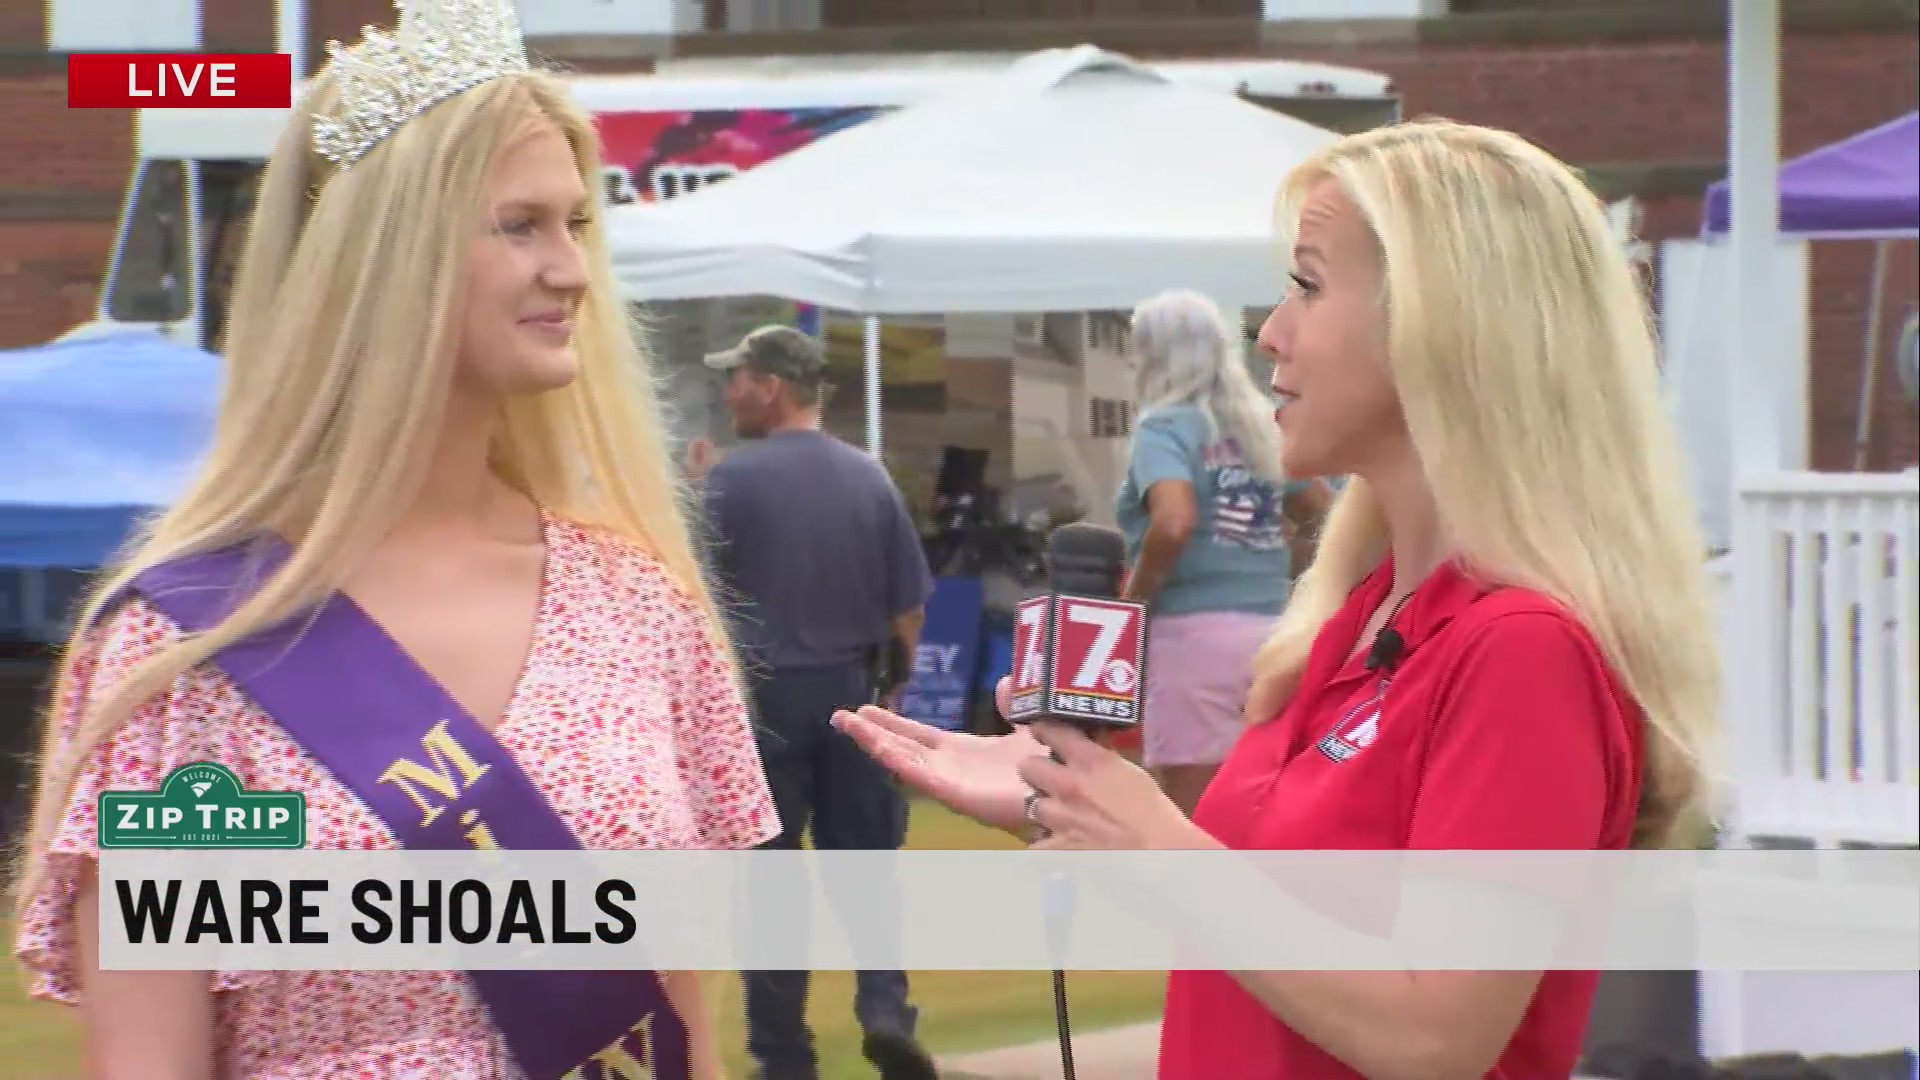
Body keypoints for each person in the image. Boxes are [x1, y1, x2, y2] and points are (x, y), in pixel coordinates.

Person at [832, 117, 1720, 1080]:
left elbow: (1433, 1036)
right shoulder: (1356, 621)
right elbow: (1275, 920)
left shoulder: (1521, 648)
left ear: (1442, 323)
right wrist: (1075, 800)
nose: (1270, 332)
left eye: (1307, 284)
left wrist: (1162, 843)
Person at [10, 3, 779, 1078]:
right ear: (386, 260)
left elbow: (671, 1021)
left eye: (578, 225)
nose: (571, 270)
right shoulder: (184, 659)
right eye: (520, 225)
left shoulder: (639, 603)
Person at [697, 325, 937, 1080]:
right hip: (851, 690)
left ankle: (781, 1053)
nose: (727, 391)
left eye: (737, 377)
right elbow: (908, 606)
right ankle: (884, 1009)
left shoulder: (730, 482)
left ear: (770, 386)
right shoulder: (869, 478)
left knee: (769, 885)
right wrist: (891, 688)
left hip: (762, 703)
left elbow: (696, 601)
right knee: (865, 867)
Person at [1116, 288, 1335, 814]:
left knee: (1195, 818)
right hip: (1273, 630)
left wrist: (1136, 600)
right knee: (1262, 805)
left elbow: (1173, 520)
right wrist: (1295, 566)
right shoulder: (1258, 426)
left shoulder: (1165, 427)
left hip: (1192, 635)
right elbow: (1327, 512)